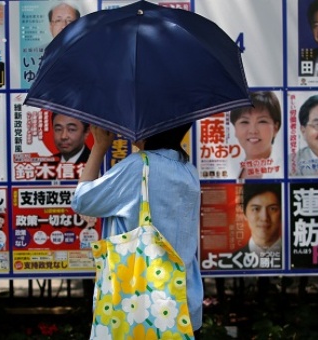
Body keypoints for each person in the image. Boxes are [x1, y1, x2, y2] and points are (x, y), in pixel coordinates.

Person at [71, 124, 203, 336]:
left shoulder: (140, 166)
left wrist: (99, 147)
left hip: (138, 306)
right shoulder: (189, 170)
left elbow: (83, 201)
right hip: (182, 301)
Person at [230, 91, 282, 179]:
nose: (253, 131)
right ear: (235, 129)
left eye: (262, 121)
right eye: (245, 122)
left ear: (275, 128)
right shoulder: (230, 168)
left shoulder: (287, 169)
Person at [233, 184, 282, 269]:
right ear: (244, 213)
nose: (264, 218)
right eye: (256, 209)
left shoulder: (299, 259)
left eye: (272, 209)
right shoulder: (227, 263)